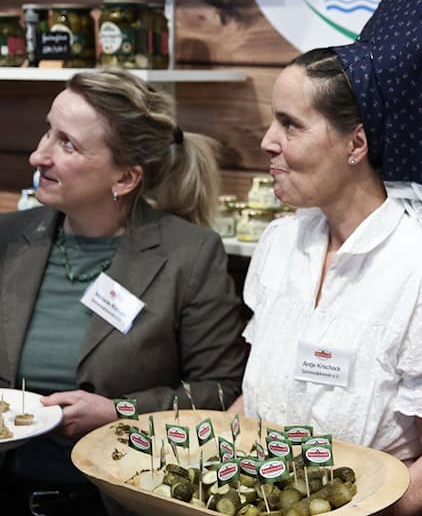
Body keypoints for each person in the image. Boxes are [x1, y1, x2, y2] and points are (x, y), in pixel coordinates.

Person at [228, 0, 422, 514]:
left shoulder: (421, 268)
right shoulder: (279, 244)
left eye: (290, 124)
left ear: (356, 145)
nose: (266, 141)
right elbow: (257, 400)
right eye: (271, 121)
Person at [0, 69, 247, 515]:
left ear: (126, 178)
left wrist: (120, 411)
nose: (39, 155)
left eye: (67, 144)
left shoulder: (187, 255)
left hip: (121, 499)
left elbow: (221, 391)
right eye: (47, 131)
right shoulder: (7, 238)